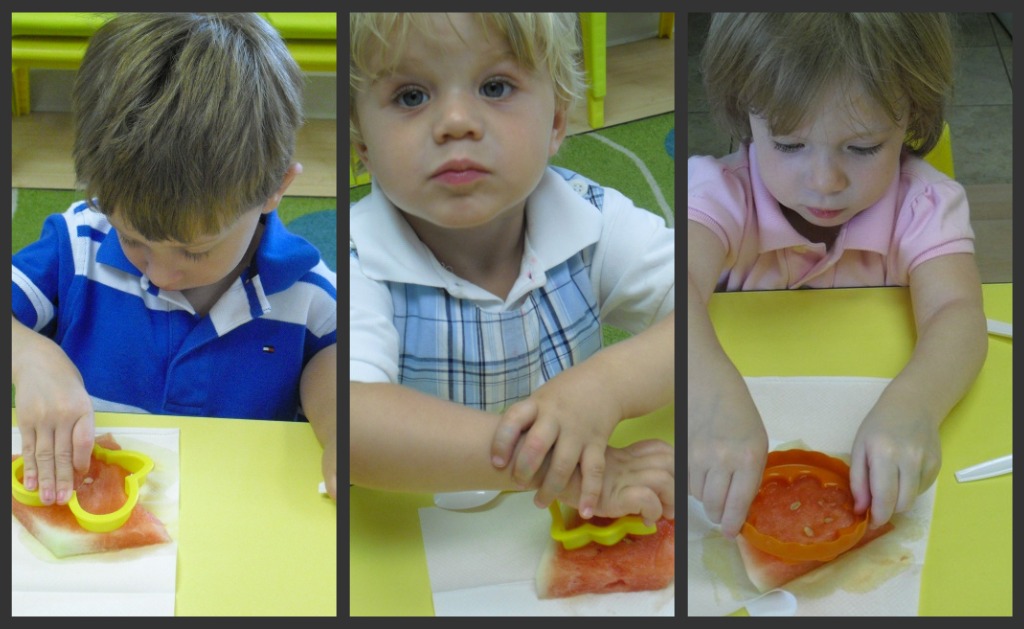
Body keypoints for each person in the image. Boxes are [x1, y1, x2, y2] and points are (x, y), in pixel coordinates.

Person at [349, 12, 675, 522]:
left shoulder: (591, 218)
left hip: (563, 520)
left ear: (557, 122)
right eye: (411, 96)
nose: (456, 121)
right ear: (363, 145)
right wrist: (547, 463)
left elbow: (704, 308)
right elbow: (354, 426)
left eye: (495, 86)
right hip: (422, 538)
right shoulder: (358, 261)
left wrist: (608, 384)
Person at [11, 13, 338, 504]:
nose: (160, 273)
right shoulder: (78, 242)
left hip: (238, 517)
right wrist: (33, 355)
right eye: (133, 238)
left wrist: (343, 430)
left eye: (195, 249)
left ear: (276, 189)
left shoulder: (306, 291)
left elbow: (338, 371)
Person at [688, 13, 988, 538]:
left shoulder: (925, 206)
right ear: (744, 115)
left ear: (912, 119)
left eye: (863, 147)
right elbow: (672, 292)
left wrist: (915, 406)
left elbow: (956, 312)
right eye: (787, 144)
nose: (825, 182)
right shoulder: (717, 195)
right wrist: (710, 400)